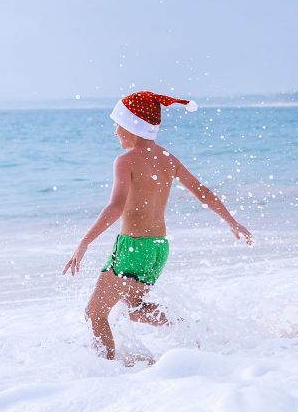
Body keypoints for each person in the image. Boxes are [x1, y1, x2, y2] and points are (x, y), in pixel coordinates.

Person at [62, 91, 253, 363]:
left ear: (132, 125)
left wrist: (84, 242)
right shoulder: (168, 158)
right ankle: (188, 329)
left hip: (132, 248)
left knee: (94, 313)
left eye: (118, 124)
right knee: (136, 309)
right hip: (158, 250)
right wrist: (232, 222)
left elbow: (116, 207)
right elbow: (203, 192)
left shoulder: (125, 161)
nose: (115, 132)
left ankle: (106, 372)